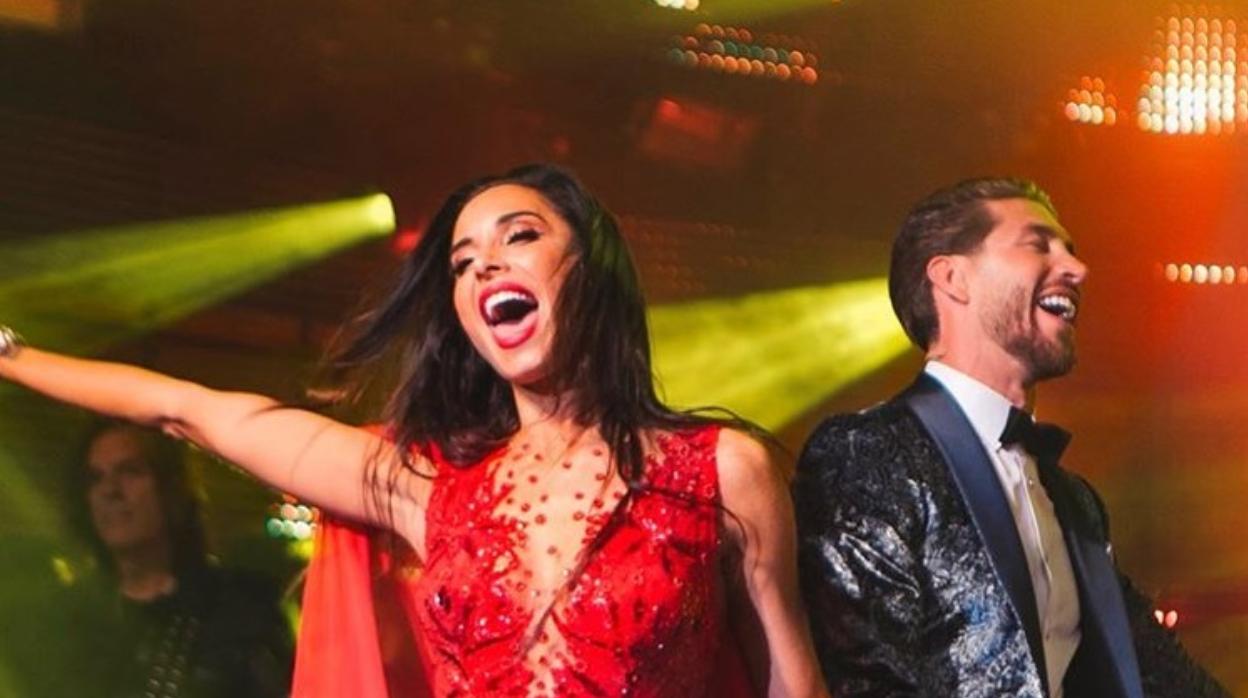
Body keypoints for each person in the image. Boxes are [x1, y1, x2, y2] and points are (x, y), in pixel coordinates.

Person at [0, 164, 827, 697]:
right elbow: (194, 410)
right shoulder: (424, 485)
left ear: (594, 265)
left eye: (521, 237)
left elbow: (793, 687)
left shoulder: (720, 470)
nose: (487, 268)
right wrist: (13, 356)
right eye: (464, 264)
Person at [793, 177, 1228, 697]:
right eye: (1038, 244)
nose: (1077, 268)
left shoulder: (1075, 502)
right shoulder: (866, 453)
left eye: (1071, 249)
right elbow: (868, 678)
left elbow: (1157, 670)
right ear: (952, 278)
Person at [60, 421, 294, 698]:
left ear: (170, 488)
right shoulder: (67, 621)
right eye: (95, 478)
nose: (110, 490)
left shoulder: (239, 610)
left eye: (130, 472)